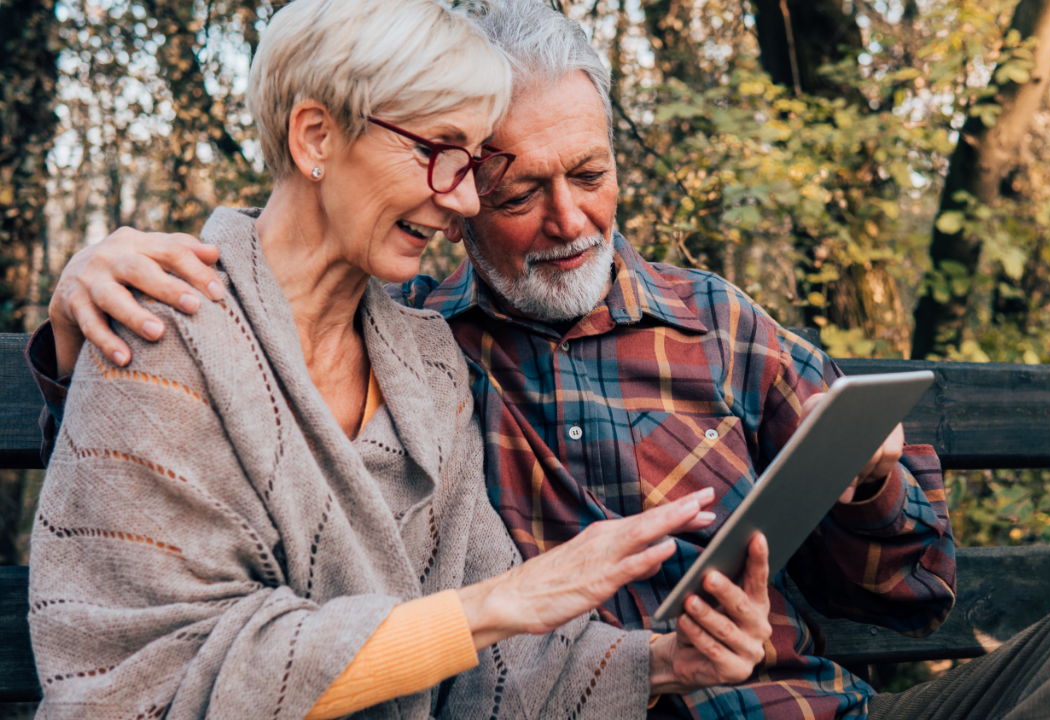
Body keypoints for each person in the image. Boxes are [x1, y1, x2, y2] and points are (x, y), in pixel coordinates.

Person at [32, 0, 1050, 718]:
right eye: (509, 186)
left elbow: (911, 599)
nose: (567, 220)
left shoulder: (717, 323)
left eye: (588, 175)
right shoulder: (431, 334)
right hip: (595, 709)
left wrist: (860, 481)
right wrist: (77, 299)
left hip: (797, 706)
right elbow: (210, 450)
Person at [25, 1, 775, 718]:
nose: (466, 203)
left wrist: (671, 662)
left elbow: (494, 662)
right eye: (436, 152)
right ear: (316, 136)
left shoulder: (428, 364)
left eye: (473, 167)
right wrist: (492, 607)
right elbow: (152, 678)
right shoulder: (154, 325)